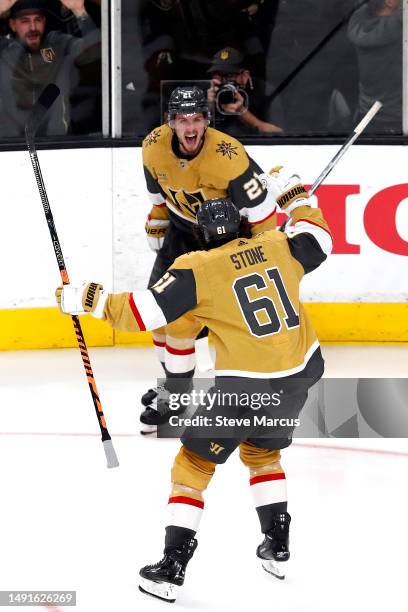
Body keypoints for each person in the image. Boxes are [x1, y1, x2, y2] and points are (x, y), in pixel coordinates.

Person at [56, 170, 332, 602]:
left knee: (192, 468)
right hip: (300, 374)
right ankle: (277, 545)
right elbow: (319, 238)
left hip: (245, 387)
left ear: (202, 236)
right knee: (262, 452)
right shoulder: (278, 244)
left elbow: (141, 313)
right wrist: (295, 196)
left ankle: (171, 567)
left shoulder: (197, 268)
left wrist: (87, 300)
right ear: (243, 224)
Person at [138, 84, 277, 434]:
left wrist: (263, 253)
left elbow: (262, 218)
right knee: (160, 315)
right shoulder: (153, 147)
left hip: (227, 242)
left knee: (231, 324)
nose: (190, 126)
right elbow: (159, 195)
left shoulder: (229, 156)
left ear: (207, 120)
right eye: (182, 119)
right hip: (182, 235)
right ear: (170, 122)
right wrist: (158, 221)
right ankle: (173, 391)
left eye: (197, 118)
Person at [0, 0, 101, 138]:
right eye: (25, 21)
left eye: (38, 20)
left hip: (57, 146)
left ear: (45, 21)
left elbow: (95, 52)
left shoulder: (58, 44)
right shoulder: (4, 49)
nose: (33, 27)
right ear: (12, 24)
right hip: (9, 148)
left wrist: (79, 10)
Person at [347, 0, 402, 134]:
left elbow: (363, 6)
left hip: (367, 115)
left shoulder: (357, 22)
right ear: (390, 1)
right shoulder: (400, 25)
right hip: (398, 118)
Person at [207, 46, 283, 136]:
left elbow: (279, 132)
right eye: (218, 75)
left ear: (245, 76)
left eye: (230, 76)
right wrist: (209, 107)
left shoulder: (265, 92)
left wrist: (242, 112)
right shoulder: (208, 91)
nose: (224, 81)